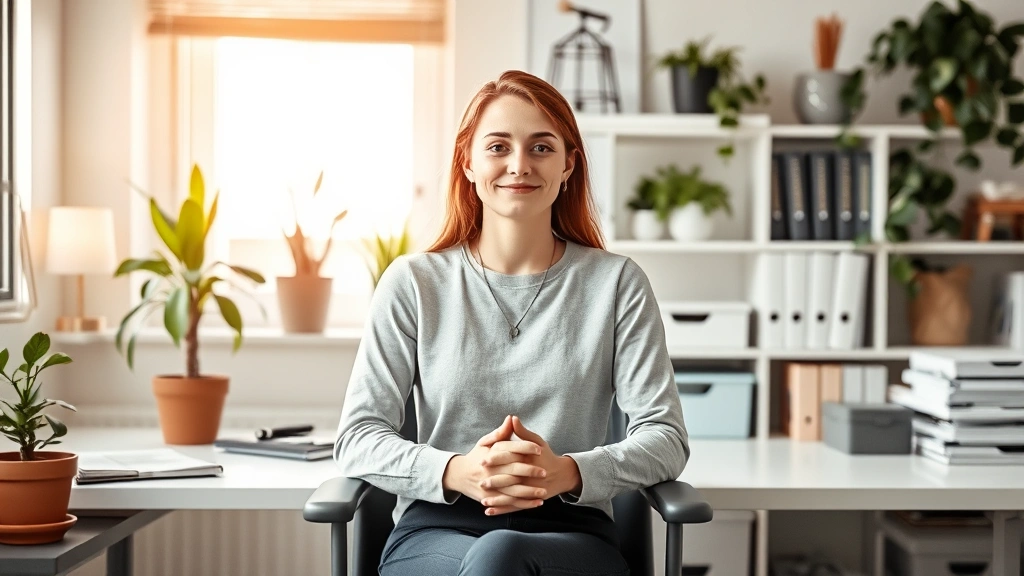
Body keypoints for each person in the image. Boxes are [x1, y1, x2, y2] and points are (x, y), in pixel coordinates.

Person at [336, 69, 689, 576]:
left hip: (572, 538)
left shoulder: (617, 284)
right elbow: (357, 437)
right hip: (435, 533)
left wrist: (566, 472)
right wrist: (457, 471)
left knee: (502, 555)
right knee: (494, 556)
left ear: (569, 163)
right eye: (498, 147)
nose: (519, 165)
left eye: (541, 147)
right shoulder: (414, 283)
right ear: (469, 161)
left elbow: (666, 437)